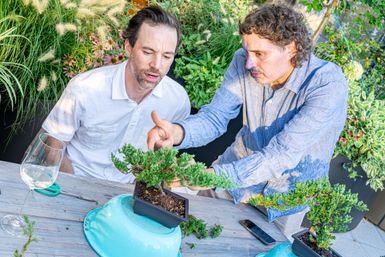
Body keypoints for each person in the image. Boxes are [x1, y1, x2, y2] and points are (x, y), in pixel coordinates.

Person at [147, 4, 348, 224]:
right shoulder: (243, 60)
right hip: (234, 181)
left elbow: (281, 155)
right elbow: (215, 117)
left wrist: (212, 176)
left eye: (260, 54)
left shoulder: (327, 85)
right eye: (248, 51)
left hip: (285, 201)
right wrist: (177, 133)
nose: (250, 62)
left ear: (291, 48)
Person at [35, 5, 190, 183]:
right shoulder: (86, 88)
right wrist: (74, 186)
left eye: (167, 56)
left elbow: (164, 157)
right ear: (128, 48)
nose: (156, 64)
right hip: (74, 181)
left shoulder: (178, 101)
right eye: (148, 52)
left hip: (127, 196)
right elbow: (54, 142)